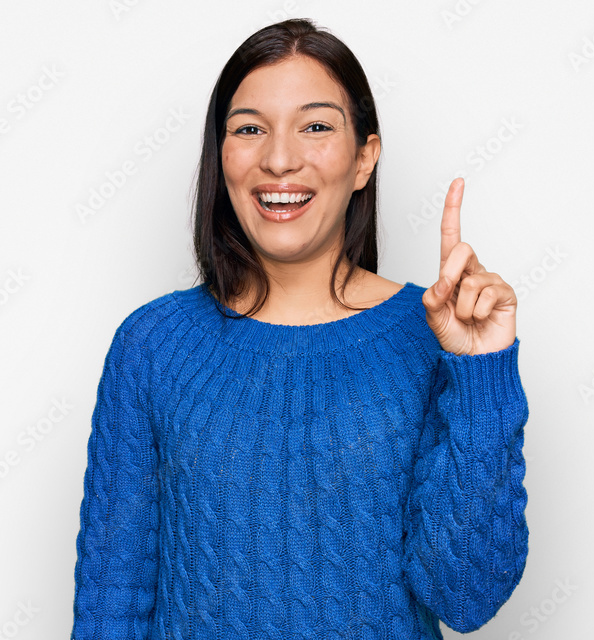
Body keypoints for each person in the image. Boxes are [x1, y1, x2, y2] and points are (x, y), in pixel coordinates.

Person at [70, 17, 529, 640]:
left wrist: (481, 372)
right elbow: (111, 604)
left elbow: (467, 596)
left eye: (315, 127)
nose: (280, 159)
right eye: (249, 129)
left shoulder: (432, 337)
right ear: (221, 156)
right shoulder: (152, 345)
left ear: (364, 158)